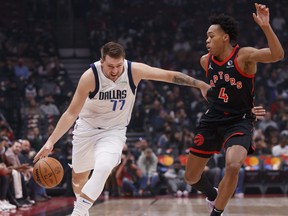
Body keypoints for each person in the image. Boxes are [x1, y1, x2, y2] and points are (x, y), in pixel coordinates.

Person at [33, 41, 211, 216]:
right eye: (110, 66)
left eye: (118, 65)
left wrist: (199, 84)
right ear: (102, 61)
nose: (115, 70)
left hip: (114, 131)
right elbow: (71, 113)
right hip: (86, 129)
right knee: (79, 179)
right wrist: (50, 142)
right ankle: (83, 210)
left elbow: (168, 75)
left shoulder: (133, 71)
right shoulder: (90, 76)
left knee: (104, 166)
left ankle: (78, 212)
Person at [184, 3, 284, 216]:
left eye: (211, 36)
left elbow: (277, 55)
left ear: (225, 37)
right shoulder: (205, 61)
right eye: (206, 37)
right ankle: (212, 194)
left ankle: (216, 213)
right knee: (191, 177)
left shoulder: (244, 56)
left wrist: (266, 26)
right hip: (212, 119)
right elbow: (221, 89)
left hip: (239, 121)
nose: (207, 40)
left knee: (233, 165)